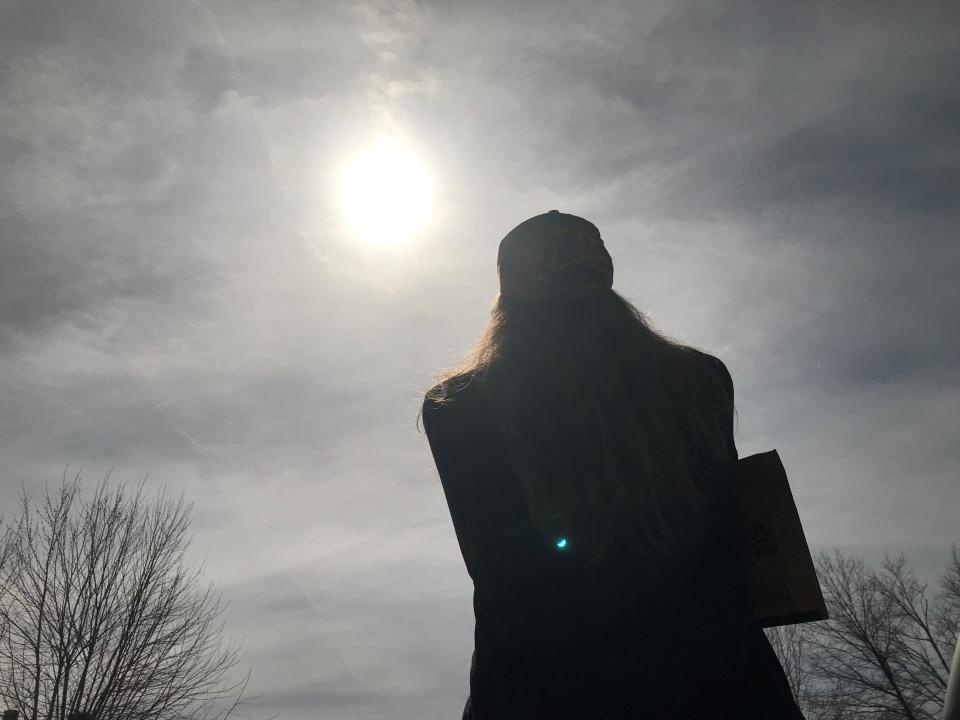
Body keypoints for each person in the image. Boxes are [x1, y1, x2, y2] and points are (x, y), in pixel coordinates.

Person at [419, 211, 804, 719]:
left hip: (546, 688)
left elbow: (503, 572)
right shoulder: (701, 379)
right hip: (719, 679)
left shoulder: (459, 404)